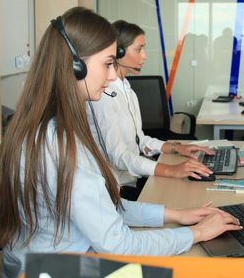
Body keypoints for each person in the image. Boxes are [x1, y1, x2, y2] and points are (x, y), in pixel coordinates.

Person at [0, 7, 241, 278]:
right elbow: (118, 245)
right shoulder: (58, 143)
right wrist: (196, 234)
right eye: (108, 64)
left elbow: (104, 206)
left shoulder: (52, 127)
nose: (113, 77)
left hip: (52, 270)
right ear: (75, 67)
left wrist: (176, 215)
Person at [88, 20, 214, 201]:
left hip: (132, 179)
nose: (145, 56)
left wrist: (177, 148)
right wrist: (171, 170)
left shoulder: (127, 90)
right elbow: (118, 156)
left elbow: (140, 140)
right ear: (118, 52)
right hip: (115, 190)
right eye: (138, 49)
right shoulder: (103, 95)